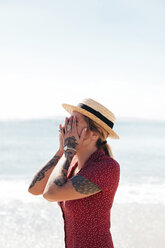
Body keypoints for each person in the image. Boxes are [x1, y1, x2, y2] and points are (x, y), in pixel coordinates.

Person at [28, 98, 120, 248]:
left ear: (95, 134)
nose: (66, 127)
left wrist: (68, 150)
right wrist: (60, 151)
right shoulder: (72, 162)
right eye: (68, 122)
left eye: (74, 123)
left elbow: (51, 193)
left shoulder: (107, 167)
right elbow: (35, 189)